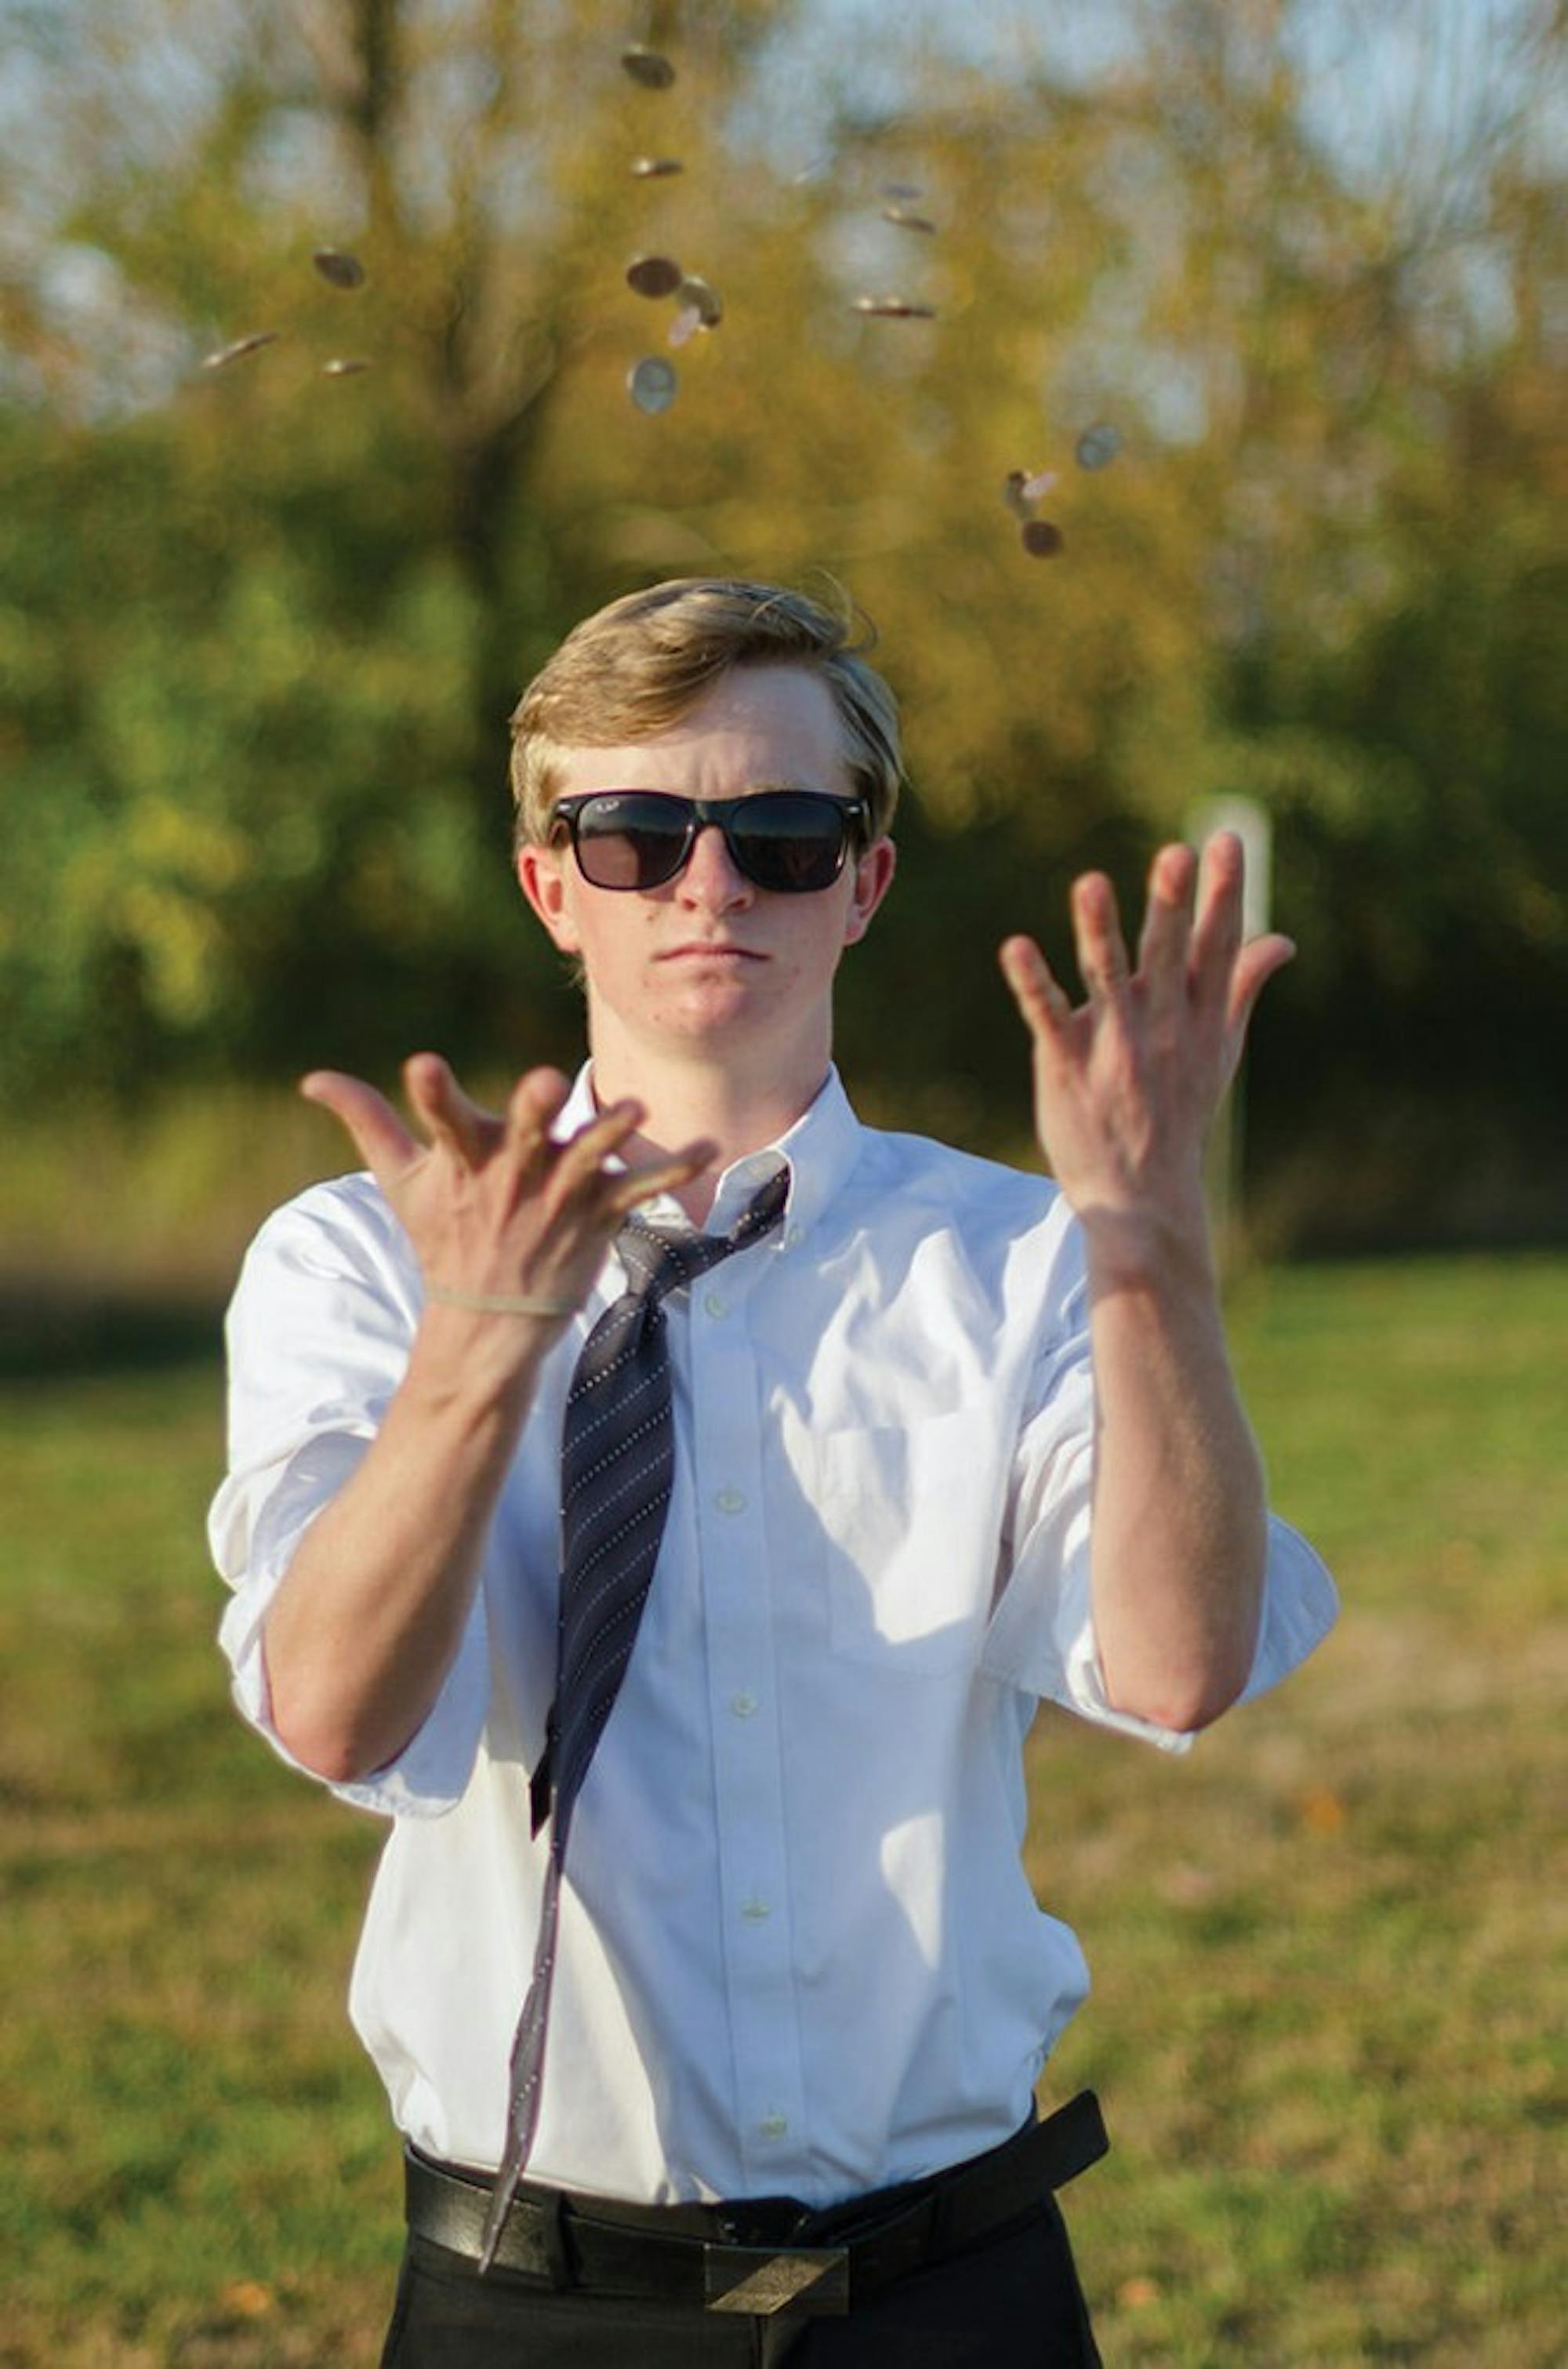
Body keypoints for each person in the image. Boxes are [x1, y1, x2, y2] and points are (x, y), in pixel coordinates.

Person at [209, 577, 1337, 2367]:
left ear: (863, 881)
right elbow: (337, 1713)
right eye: (637, 833)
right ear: (551, 884)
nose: (711, 884)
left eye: (783, 835)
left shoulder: (1029, 1256)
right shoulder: (360, 1258)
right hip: (532, 2302)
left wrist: (1153, 1248)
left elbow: (1179, 1663)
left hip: (951, 2288)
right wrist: (481, 1342)